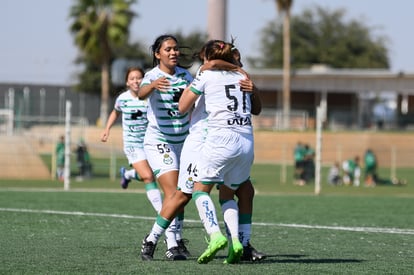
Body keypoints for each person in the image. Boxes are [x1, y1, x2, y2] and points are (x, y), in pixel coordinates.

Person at [141, 40, 256, 264]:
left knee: (235, 191)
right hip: (198, 142)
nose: (174, 52)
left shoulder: (206, 75)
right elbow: (179, 105)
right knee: (183, 193)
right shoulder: (211, 73)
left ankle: (238, 242)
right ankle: (157, 240)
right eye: (235, 57)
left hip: (211, 142)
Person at [137, 35, 193, 260]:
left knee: (182, 196)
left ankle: (176, 238)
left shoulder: (185, 75)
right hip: (159, 141)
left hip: (184, 142)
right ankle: (169, 244)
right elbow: (140, 94)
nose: (173, 53)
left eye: (176, 49)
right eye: (168, 49)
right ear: (157, 54)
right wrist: (152, 85)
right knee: (172, 193)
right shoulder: (152, 76)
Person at [100, 67, 163, 215]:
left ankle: (128, 175)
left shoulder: (150, 97)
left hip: (150, 142)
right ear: (127, 82)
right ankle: (163, 214)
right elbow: (115, 112)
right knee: (148, 176)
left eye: (139, 78)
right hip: (132, 145)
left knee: (149, 173)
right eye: (132, 78)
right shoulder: (122, 99)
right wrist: (107, 129)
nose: (136, 81)